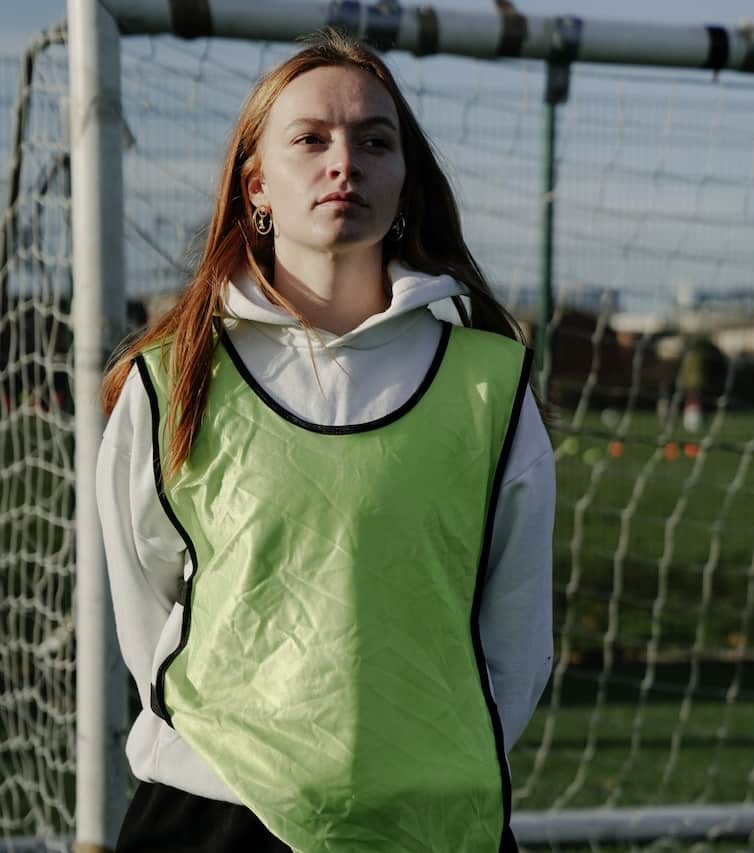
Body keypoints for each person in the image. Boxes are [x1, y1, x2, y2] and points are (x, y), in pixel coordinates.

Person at [96, 29, 555, 853]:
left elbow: (515, 636)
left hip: (432, 819)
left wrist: (417, 763)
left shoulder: (492, 382)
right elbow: (148, 616)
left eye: (374, 140)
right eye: (310, 138)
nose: (344, 161)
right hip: (212, 815)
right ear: (256, 186)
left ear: (404, 180)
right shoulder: (171, 380)